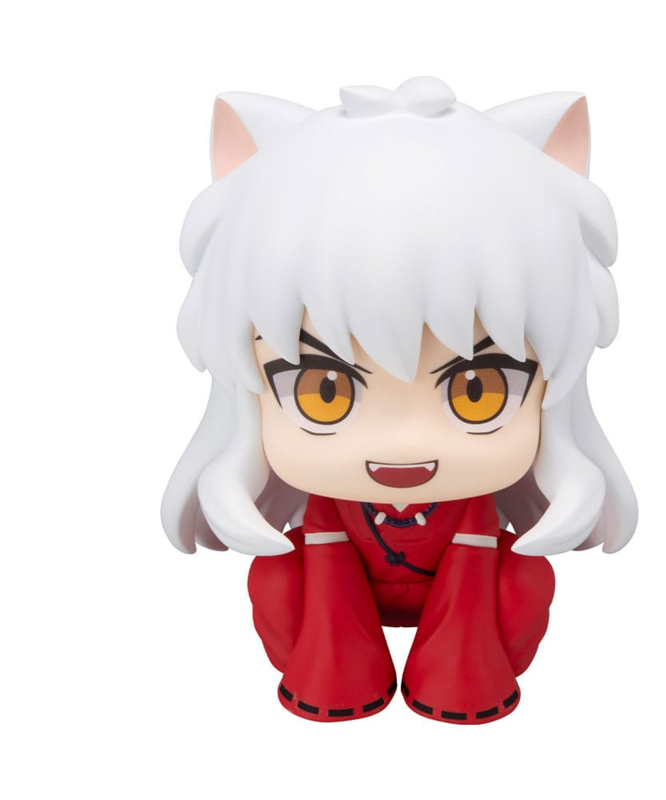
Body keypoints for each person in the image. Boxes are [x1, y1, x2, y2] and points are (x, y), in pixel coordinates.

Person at [162, 77, 638, 724]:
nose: (403, 443)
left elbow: (483, 572)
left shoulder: (474, 506)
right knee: (276, 577)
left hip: (465, 595)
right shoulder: (326, 508)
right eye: (324, 391)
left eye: (476, 391)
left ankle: (459, 683)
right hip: (340, 589)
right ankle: (336, 681)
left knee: (525, 579)